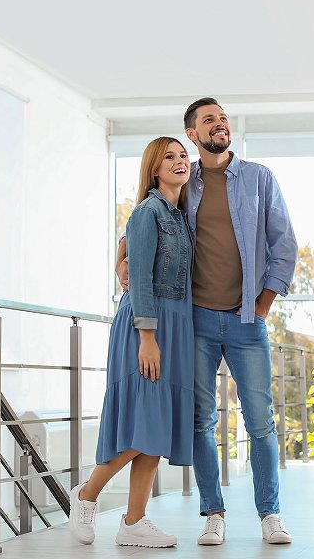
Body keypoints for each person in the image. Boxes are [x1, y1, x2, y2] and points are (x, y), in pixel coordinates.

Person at [116, 98, 297, 545]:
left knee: (261, 422)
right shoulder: (183, 178)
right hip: (193, 321)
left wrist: (263, 305)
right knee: (201, 421)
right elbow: (143, 224)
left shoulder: (258, 178)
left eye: (223, 118)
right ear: (193, 135)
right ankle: (213, 512)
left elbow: (285, 244)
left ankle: (269, 514)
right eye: (208, 120)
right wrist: (119, 257)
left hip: (245, 321)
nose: (220, 124)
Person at [69, 137, 195, 548]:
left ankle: (135, 521)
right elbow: (138, 277)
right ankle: (87, 494)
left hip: (177, 326)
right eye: (169, 158)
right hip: (148, 326)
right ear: (154, 170)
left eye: (183, 156)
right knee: (144, 428)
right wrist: (147, 337)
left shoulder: (181, 216)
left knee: (157, 431)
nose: (180, 162)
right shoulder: (148, 212)